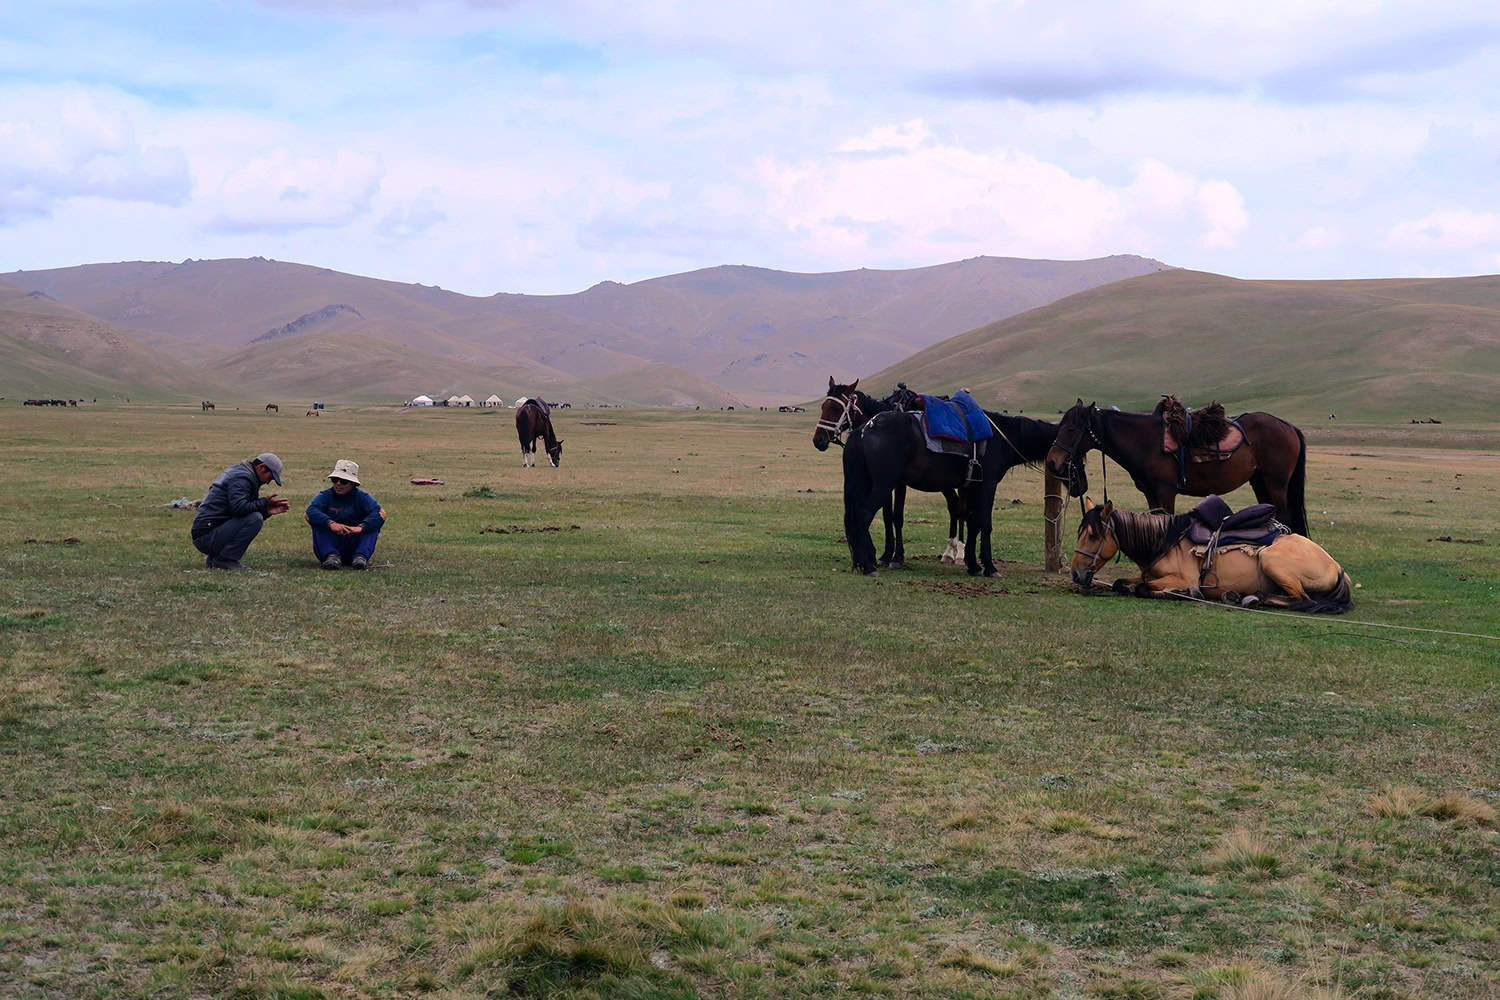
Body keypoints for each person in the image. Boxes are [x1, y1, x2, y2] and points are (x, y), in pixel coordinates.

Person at [191, 452, 291, 570]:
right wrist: (263, 503)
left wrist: (266, 511)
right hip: (206, 536)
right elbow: (239, 509)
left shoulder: (243, 474)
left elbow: (237, 513)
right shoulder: (242, 478)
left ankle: (216, 559)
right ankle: (225, 560)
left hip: (206, 532)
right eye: (270, 477)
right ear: (261, 467)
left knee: (255, 517)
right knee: (255, 519)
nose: (268, 482)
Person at [305, 459, 386, 570]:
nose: (338, 483)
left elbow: (379, 514)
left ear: (353, 483)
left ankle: (360, 557)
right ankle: (331, 556)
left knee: (373, 525)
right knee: (316, 521)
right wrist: (330, 523)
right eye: (335, 480)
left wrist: (360, 528)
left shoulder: (363, 497)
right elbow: (311, 511)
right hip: (330, 543)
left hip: (355, 542)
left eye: (343, 481)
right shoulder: (325, 496)